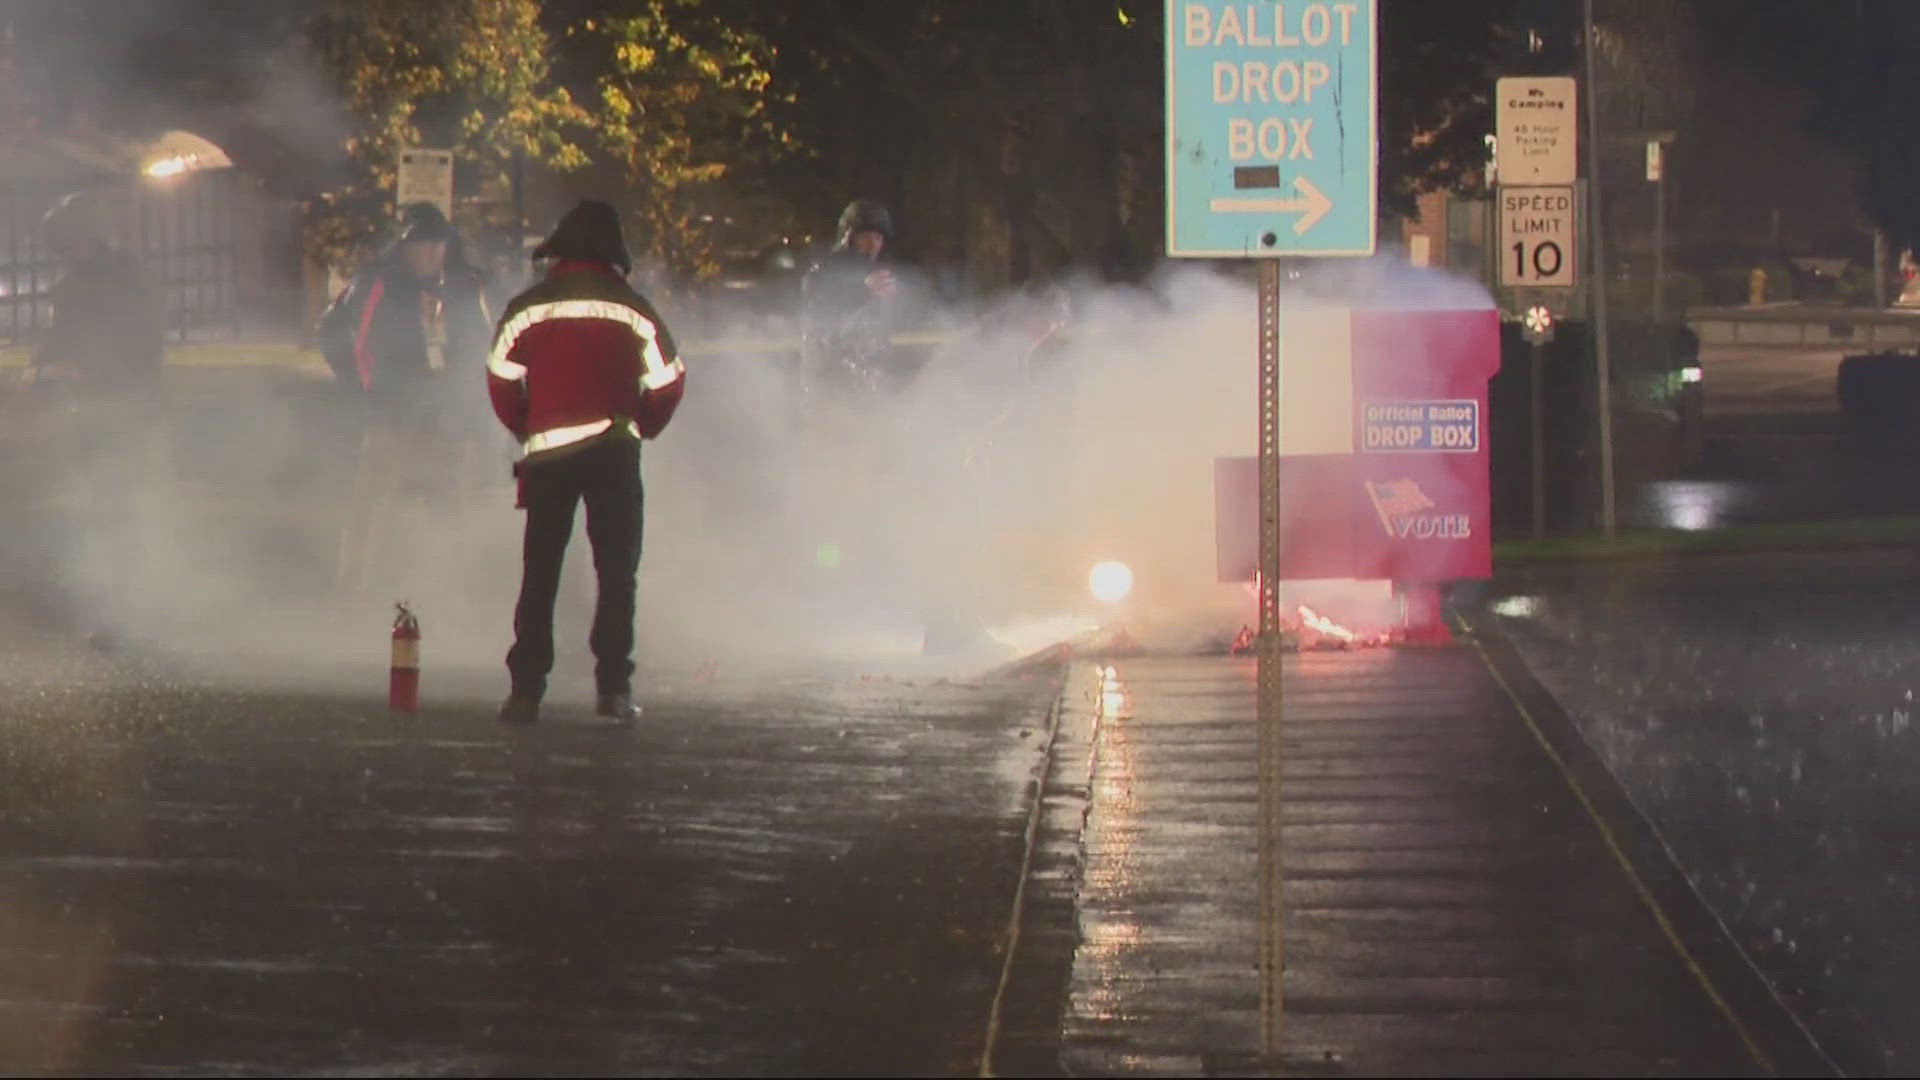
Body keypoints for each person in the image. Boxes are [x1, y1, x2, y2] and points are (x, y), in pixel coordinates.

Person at [487, 200, 686, 724]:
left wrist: (526, 424)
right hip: (614, 454)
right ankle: (613, 690)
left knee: (541, 572)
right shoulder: (634, 308)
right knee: (617, 572)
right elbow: (669, 380)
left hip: (548, 458)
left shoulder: (528, 307)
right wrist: (644, 422)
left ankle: (526, 690)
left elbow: (501, 377)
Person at [327, 203, 492, 591]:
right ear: (404, 247)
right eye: (421, 244)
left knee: (451, 497)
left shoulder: (464, 285)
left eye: (438, 244)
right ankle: (354, 584)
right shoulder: (378, 284)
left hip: (448, 409)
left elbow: (481, 344)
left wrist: (472, 405)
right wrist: (364, 389)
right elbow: (338, 335)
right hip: (393, 406)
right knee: (373, 494)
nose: (431, 253)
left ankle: (447, 586)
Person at [799, 198, 899, 396]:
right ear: (849, 237)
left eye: (878, 238)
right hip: (831, 383)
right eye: (866, 237)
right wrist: (861, 291)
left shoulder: (880, 276)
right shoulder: (824, 270)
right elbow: (817, 301)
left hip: (869, 382)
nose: (873, 245)